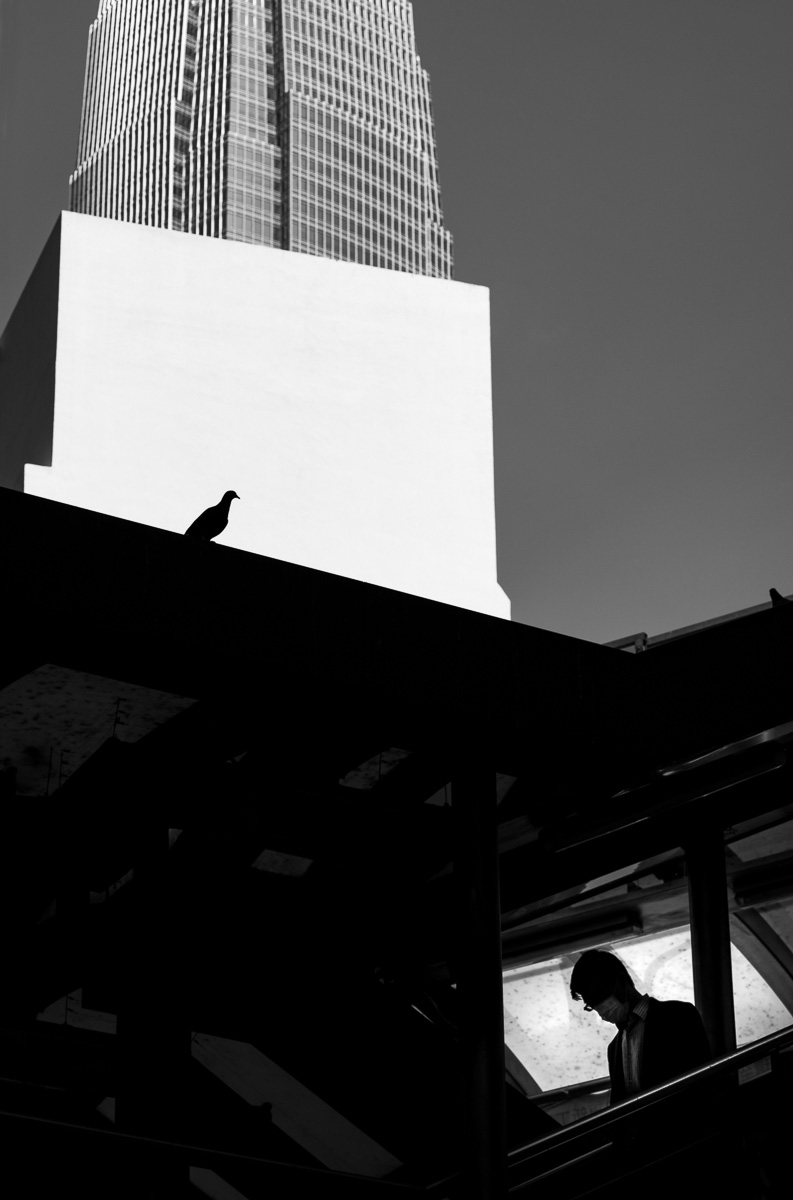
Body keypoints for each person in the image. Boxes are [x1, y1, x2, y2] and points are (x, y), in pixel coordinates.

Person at [570, 949, 711, 1105]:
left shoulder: (679, 1016)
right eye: (592, 1005)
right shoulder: (613, 1049)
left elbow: (703, 1083)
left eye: (600, 996)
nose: (600, 1008)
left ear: (622, 982)